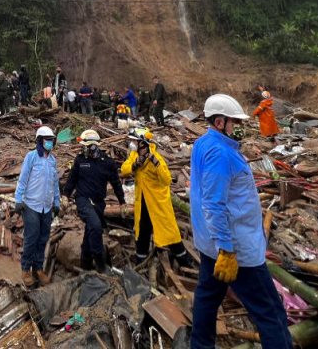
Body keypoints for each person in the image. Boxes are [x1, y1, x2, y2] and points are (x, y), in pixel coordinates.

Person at [190, 94, 292, 349]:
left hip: (209, 243)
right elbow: (213, 203)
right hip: (235, 249)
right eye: (233, 122)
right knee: (271, 313)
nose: (236, 127)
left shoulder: (203, 143)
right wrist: (226, 248)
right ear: (220, 121)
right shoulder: (221, 154)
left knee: (207, 298)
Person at [121, 127, 191, 267]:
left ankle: (184, 261)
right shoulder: (134, 155)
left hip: (158, 203)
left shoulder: (157, 158)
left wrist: (156, 164)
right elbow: (124, 170)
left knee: (169, 231)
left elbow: (166, 180)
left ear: (143, 143)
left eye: (135, 141)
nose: (132, 143)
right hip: (142, 201)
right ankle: (141, 259)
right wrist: (135, 165)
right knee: (142, 230)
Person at [63, 129, 125, 272]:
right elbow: (72, 179)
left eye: (85, 146)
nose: (82, 149)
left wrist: (122, 202)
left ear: (92, 146)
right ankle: (100, 264)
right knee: (96, 226)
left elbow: (116, 183)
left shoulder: (107, 162)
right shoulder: (80, 160)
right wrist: (66, 195)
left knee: (91, 230)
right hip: (83, 200)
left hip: (99, 203)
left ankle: (85, 265)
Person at [14, 126, 60, 287]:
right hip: (31, 205)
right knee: (31, 238)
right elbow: (23, 179)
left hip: (46, 207)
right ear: (40, 141)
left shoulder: (53, 160)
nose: (50, 143)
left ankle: (38, 268)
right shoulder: (31, 157)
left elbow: (55, 183)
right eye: (47, 140)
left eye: (51, 140)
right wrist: (18, 199)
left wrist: (57, 202)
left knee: (43, 238)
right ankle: (26, 269)